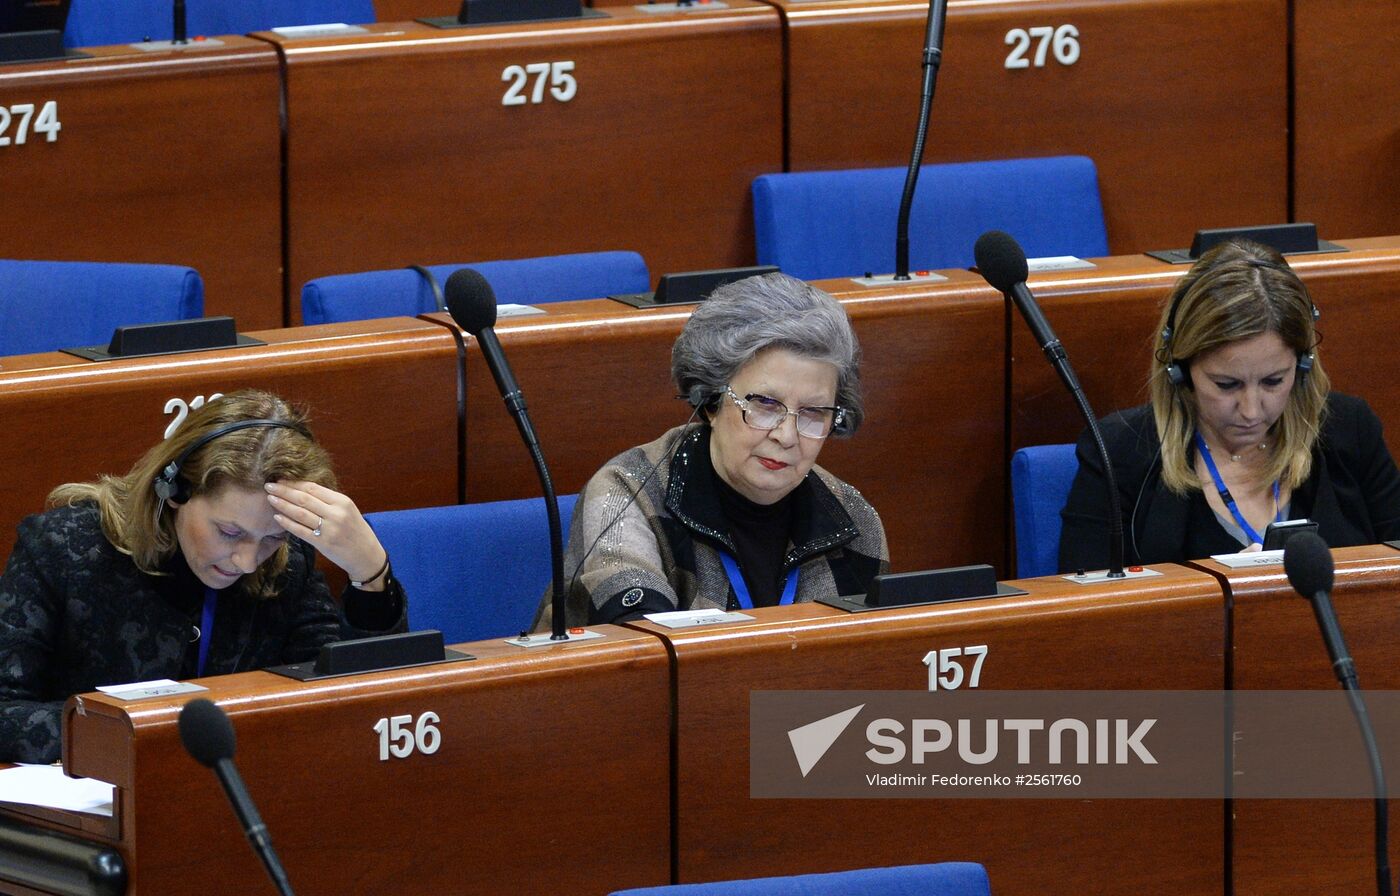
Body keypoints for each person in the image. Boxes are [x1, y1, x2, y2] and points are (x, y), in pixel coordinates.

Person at [0, 390, 406, 763]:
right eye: (229, 532)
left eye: (271, 537)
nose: (248, 562)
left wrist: (370, 573)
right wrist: (145, 733)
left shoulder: (287, 559)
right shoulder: (63, 548)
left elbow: (350, 704)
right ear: (174, 490)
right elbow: (5, 712)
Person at [538, 272, 888, 629]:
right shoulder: (627, 494)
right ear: (710, 400)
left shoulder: (854, 518)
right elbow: (644, 648)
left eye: (813, 413)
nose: (786, 436)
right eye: (765, 405)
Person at [1059, 239, 1400, 572]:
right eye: (1227, 384)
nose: (1251, 411)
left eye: (1273, 381)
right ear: (1179, 370)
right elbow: (1088, 598)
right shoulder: (1119, 450)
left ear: (1302, 365)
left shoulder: (1350, 429)